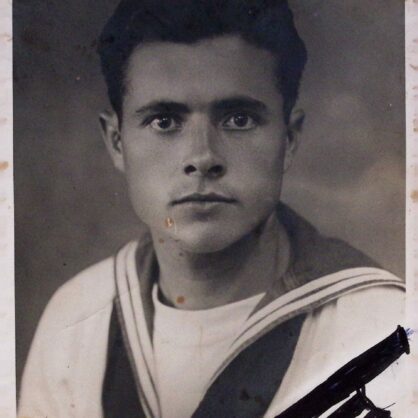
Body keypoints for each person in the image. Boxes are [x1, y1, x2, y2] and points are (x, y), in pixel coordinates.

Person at [18, 1, 406, 417]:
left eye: (238, 119)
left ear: (289, 139)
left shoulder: (382, 328)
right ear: (117, 141)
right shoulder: (76, 318)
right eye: (164, 121)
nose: (202, 157)